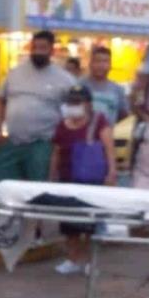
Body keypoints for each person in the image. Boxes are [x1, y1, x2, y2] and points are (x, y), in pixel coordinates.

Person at [0, 30, 75, 229]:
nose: (38, 52)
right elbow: (0, 99)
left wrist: (61, 143)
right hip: (12, 140)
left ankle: (34, 232)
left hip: (42, 142)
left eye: (43, 48)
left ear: (51, 50)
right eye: (35, 48)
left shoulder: (64, 79)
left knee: (36, 190)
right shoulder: (15, 72)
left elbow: (74, 111)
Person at [49, 85, 116, 274]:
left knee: (90, 225)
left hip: (91, 180)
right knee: (69, 224)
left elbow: (108, 147)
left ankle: (89, 261)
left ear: (88, 104)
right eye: (71, 102)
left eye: (77, 102)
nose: (73, 106)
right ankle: (72, 259)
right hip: (67, 179)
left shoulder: (98, 121)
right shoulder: (62, 124)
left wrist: (111, 172)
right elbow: (56, 152)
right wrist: (52, 176)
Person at [82, 46, 129, 127]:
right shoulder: (80, 86)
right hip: (82, 137)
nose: (101, 65)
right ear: (90, 64)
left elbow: (124, 114)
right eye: (97, 61)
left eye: (105, 61)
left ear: (110, 65)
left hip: (107, 137)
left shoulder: (118, 89)